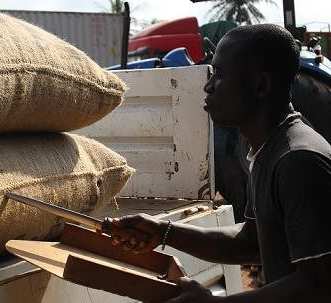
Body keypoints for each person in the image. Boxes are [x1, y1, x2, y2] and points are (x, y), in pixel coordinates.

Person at [109, 24, 331, 302]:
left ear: (260, 85)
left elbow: (319, 286)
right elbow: (251, 241)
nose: (208, 86)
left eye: (220, 75)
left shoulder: (297, 161)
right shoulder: (267, 152)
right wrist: (163, 231)